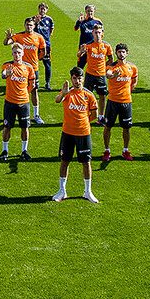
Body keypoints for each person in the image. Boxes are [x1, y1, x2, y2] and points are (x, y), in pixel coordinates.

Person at [53, 67, 100, 203]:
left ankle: (88, 191)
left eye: (79, 78)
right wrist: (63, 93)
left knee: (86, 163)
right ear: (71, 79)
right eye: (74, 78)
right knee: (64, 161)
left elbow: (94, 115)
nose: (77, 81)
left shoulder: (89, 95)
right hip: (67, 133)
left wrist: (83, 122)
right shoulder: (67, 92)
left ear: (83, 79)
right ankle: (62, 191)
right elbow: (57, 100)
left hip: (83, 134)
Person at [4, 17, 47, 123]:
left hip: (33, 68)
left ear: (34, 26)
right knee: (17, 89)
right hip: (20, 68)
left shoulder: (39, 37)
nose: (29, 27)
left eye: (31, 25)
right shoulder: (19, 36)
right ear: (24, 25)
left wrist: (38, 59)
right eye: (27, 25)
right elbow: (7, 43)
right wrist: (7, 38)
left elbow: (43, 51)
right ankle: (17, 113)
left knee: (34, 91)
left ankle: (36, 115)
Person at [0, 43, 37, 160]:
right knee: (7, 127)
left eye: (19, 53)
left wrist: (24, 94)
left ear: (23, 53)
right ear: (12, 54)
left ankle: (24, 150)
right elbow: (3, 75)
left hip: (24, 103)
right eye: (15, 53)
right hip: (10, 102)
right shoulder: (7, 66)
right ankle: (4, 150)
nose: (17, 55)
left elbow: (32, 84)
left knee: (25, 127)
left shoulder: (29, 67)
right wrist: (7, 74)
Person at [102, 43, 138, 162]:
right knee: (108, 127)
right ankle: (107, 151)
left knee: (126, 128)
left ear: (127, 53)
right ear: (116, 53)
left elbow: (134, 80)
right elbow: (108, 75)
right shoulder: (112, 66)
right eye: (119, 52)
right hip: (112, 102)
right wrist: (113, 75)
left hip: (126, 102)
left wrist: (129, 91)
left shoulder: (132, 67)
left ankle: (125, 150)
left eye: (123, 52)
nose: (121, 54)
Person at [78, 23, 114, 125]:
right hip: (90, 74)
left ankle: (101, 117)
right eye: (95, 32)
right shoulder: (88, 45)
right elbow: (79, 55)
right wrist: (81, 51)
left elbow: (111, 59)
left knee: (102, 96)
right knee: (86, 95)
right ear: (92, 33)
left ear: (102, 33)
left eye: (99, 32)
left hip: (101, 75)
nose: (97, 34)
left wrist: (105, 67)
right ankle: (85, 115)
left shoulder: (106, 46)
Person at [34, 3, 55, 90]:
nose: (42, 10)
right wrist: (36, 23)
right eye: (41, 9)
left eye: (44, 9)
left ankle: (47, 83)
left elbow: (51, 30)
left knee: (47, 64)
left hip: (46, 45)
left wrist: (46, 38)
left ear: (46, 10)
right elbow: (31, 30)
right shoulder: (34, 19)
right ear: (38, 9)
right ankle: (35, 82)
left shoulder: (49, 19)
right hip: (35, 44)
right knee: (34, 64)